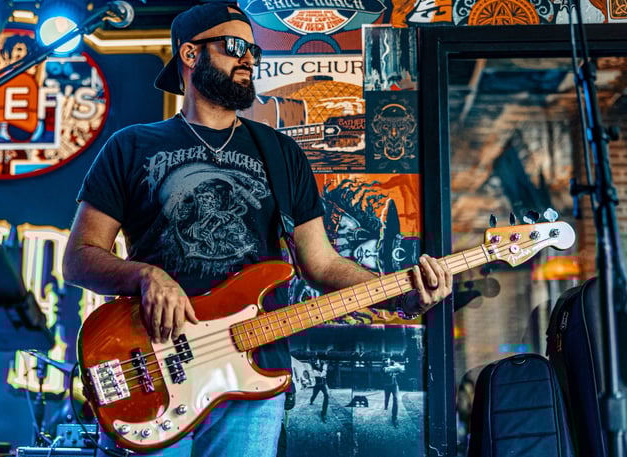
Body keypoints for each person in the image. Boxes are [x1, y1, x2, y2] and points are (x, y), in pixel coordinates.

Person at [62, 3, 453, 456]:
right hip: (155, 364)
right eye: (234, 47)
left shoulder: (281, 153)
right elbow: (79, 258)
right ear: (190, 54)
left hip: (253, 370)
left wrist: (401, 296)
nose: (249, 58)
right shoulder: (131, 146)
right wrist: (146, 276)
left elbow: (322, 264)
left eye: (254, 50)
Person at [383, 358, 405, 427]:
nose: (387, 362)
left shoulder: (393, 366)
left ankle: (394, 418)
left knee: (395, 399)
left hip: (395, 385)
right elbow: (387, 370)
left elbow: (402, 371)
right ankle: (386, 406)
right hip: (387, 386)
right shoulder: (383, 368)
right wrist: (398, 367)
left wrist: (397, 367)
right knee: (387, 397)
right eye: (385, 362)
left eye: (388, 361)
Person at [308, 358, 329, 423]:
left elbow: (323, 375)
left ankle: (324, 413)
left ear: (320, 363)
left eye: (318, 363)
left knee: (326, 395)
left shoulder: (323, 368)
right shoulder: (314, 370)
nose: (317, 364)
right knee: (314, 395)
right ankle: (311, 401)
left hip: (323, 385)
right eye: (316, 364)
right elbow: (320, 375)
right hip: (316, 386)